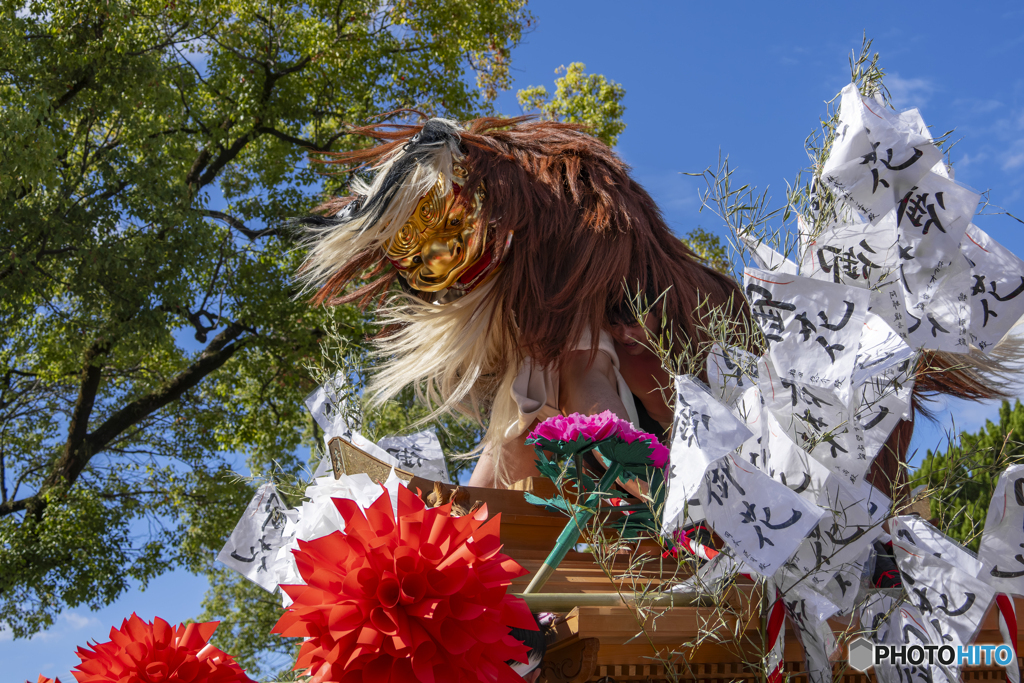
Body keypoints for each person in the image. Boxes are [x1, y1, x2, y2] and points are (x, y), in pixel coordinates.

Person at [297, 115, 1005, 501]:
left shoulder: (589, 314)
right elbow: (516, 451)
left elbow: (575, 441)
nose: (432, 264)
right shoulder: (555, 335)